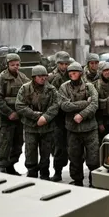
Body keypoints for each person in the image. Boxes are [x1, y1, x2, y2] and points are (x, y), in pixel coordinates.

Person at [58, 62, 99, 186]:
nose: (72, 74)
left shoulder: (89, 86)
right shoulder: (64, 87)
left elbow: (95, 104)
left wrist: (81, 115)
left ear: (80, 73)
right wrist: (84, 103)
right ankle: (77, 180)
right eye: (70, 72)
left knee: (93, 158)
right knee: (74, 157)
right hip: (72, 129)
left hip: (90, 128)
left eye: (74, 72)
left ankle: (94, 180)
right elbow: (64, 105)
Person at [15, 65, 59, 180]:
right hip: (31, 127)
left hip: (47, 127)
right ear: (34, 77)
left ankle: (45, 173)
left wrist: (45, 117)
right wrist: (36, 116)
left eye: (44, 76)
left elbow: (55, 105)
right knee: (30, 150)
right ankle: (32, 172)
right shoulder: (25, 88)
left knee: (46, 151)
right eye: (40, 76)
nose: (43, 78)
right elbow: (19, 106)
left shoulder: (51, 89)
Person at [0, 53, 30, 175]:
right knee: (5, 144)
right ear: (7, 65)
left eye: (17, 64)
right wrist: (9, 113)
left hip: (19, 117)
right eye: (12, 64)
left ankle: (10, 166)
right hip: (6, 117)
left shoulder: (22, 77)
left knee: (18, 144)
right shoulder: (1, 79)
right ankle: (2, 168)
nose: (15, 67)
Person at [48, 51, 71, 182]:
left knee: (74, 146)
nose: (64, 66)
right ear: (57, 64)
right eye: (61, 64)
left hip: (70, 114)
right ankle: (57, 172)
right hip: (57, 117)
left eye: (66, 63)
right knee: (58, 146)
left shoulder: (73, 74)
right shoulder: (51, 77)